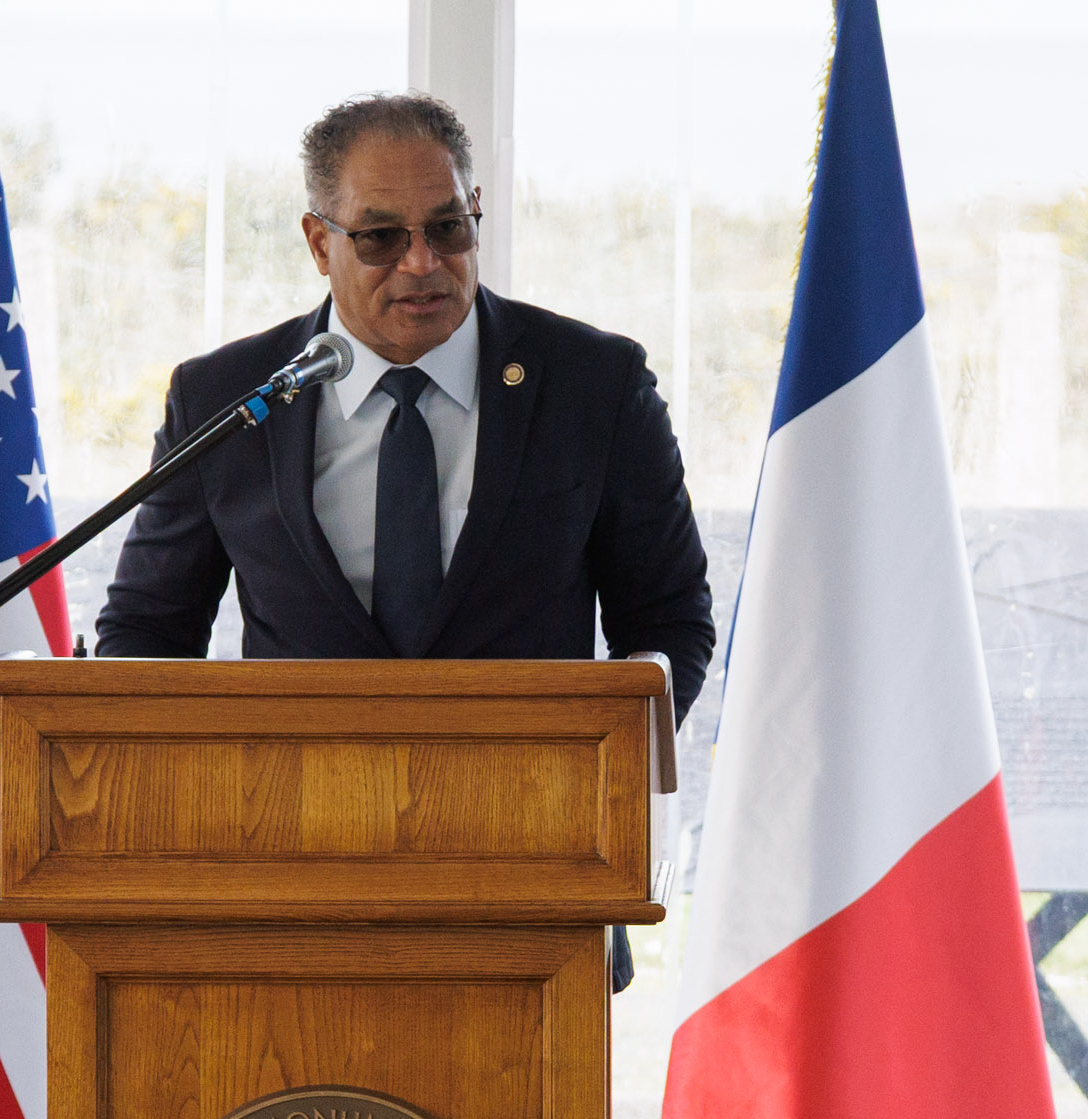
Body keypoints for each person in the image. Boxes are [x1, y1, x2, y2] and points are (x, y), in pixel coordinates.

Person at [95, 92, 714, 739]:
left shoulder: (593, 384)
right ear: (319, 243)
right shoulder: (225, 398)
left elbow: (667, 619)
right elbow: (148, 629)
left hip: (532, 792)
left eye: (447, 227)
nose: (421, 263)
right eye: (381, 237)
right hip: (291, 794)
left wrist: (605, 763)